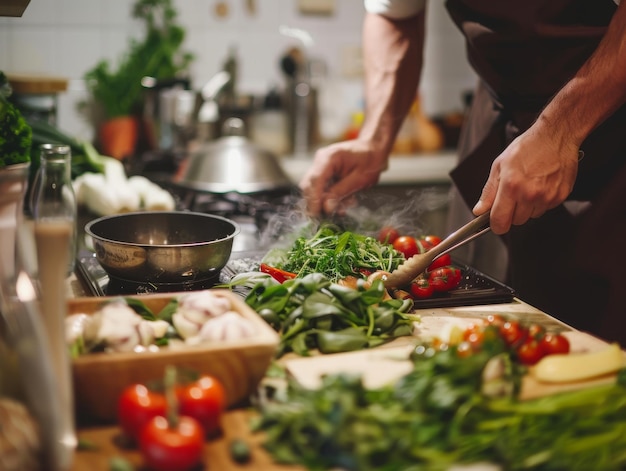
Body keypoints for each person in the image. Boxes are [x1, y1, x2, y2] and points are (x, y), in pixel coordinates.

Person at [299, 0, 626, 344]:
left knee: (598, 341)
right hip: (501, 114)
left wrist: (560, 130)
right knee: (475, 313)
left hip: (612, 124)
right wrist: (375, 138)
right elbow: (395, 15)